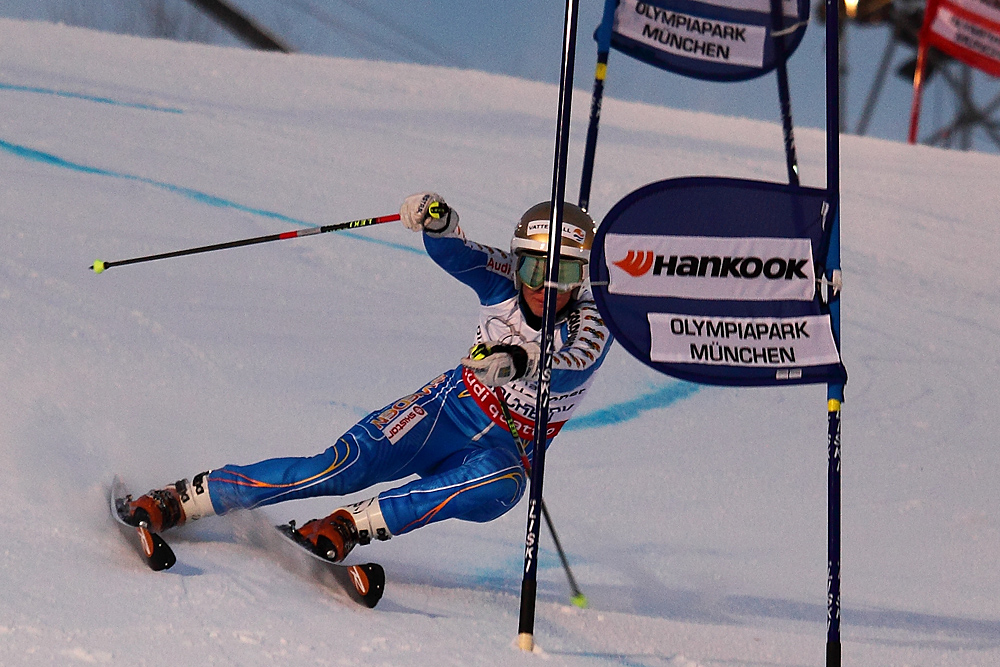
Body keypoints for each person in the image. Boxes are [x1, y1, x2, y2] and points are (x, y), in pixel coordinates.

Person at [123, 192, 613, 562]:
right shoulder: (504, 276)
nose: (540, 287)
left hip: (500, 451)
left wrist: (522, 363)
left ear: (581, 276)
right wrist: (437, 221)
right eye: (532, 266)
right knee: (338, 468)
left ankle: (350, 525)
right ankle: (186, 498)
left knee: (505, 484)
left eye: (561, 276)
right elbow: (455, 253)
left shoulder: (595, 318)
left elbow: (574, 368)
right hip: (447, 409)